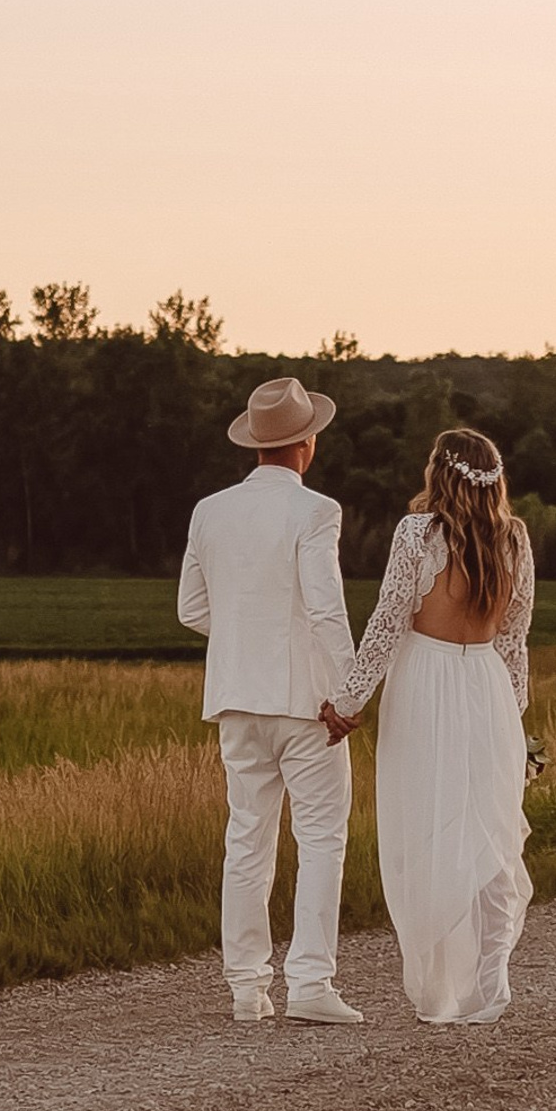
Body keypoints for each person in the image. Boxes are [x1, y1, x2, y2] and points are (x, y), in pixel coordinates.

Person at [322, 428, 536, 1024]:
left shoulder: (418, 532)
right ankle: (488, 984)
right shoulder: (515, 538)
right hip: (488, 689)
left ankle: (441, 987)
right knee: (481, 826)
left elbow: (389, 621)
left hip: (426, 685)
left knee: (425, 824)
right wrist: (514, 731)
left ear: (438, 474)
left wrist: (348, 700)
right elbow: (516, 643)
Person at [177, 376, 364, 1025]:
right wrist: (350, 691)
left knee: (247, 839)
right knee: (319, 839)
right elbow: (326, 609)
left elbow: (192, 609)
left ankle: (246, 990)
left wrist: (249, 635)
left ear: (256, 443)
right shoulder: (316, 512)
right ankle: (310, 984)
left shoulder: (209, 511)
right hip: (305, 702)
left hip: (235, 697)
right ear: (306, 443)